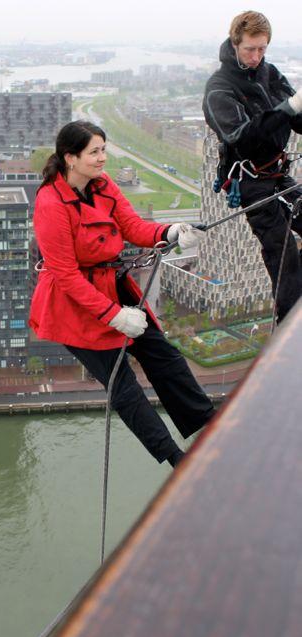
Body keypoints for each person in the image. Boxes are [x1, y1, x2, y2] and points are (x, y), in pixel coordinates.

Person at [29, 120, 215, 467]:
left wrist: (170, 231)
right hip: (75, 305)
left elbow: (132, 226)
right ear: (70, 158)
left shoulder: (103, 186)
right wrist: (114, 316)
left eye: (104, 150)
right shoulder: (50, 203)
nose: (102, 159)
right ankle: (175, 457)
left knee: (163, 356)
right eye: (94, 152)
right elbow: (67, 275)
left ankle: (207, 424)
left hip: (110, 286)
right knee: (123, 385)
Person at [203, 10, 302, 323]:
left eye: (262, 49)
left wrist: (293, 110)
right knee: (282, 250)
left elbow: (296, 120)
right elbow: (243, 138)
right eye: (250, 49)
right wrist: (287, 109)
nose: (257, 56)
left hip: (276, 174)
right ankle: (290, 326)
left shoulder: (269, 74)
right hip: (250, 181)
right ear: (235, 44)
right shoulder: (219, 88)